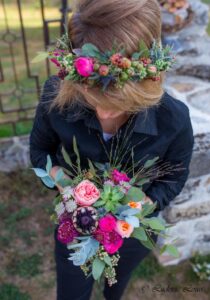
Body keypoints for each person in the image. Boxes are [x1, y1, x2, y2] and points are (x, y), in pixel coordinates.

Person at [29, 0, 194, 299]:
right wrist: (69, 190)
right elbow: (40, 152)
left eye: (119, 103)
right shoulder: (56, 96)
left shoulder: (174, 119)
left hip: (131, 234)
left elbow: (175, 177)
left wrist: (144, 203)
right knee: (71, 292)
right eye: (91, 99)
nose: (104, 115)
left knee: (116, 286)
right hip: (74, 226)